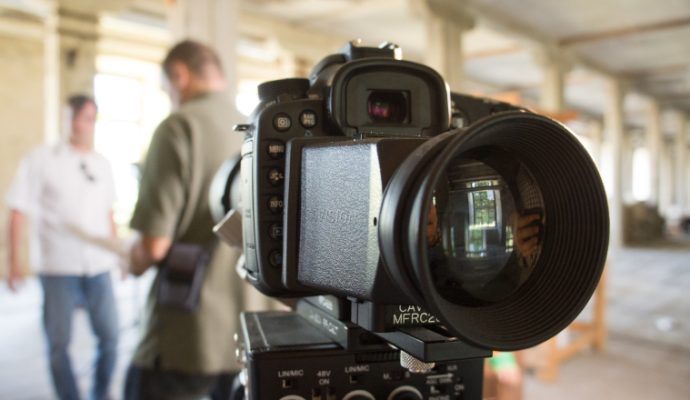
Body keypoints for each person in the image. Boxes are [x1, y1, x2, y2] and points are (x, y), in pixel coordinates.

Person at [124, 40, 244, 400]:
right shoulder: (258, 126)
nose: (171, 99)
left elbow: (154, 245)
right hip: (249, 332)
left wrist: (130, 258)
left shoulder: (178, 128)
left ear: (179, 74)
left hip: (188, 335)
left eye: (167, 90)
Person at [6, 95, 120, 400]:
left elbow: (109, 214)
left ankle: (100, 393)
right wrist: (13, 262)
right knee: (59, 344)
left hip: (98, 265)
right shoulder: (40, 159)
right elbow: (18, 210)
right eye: (75, 117)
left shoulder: (102, 164)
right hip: (57, 266)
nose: (81, 125)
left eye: (87, 118)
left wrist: (119, 254)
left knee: (110, 338)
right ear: (65, 119)